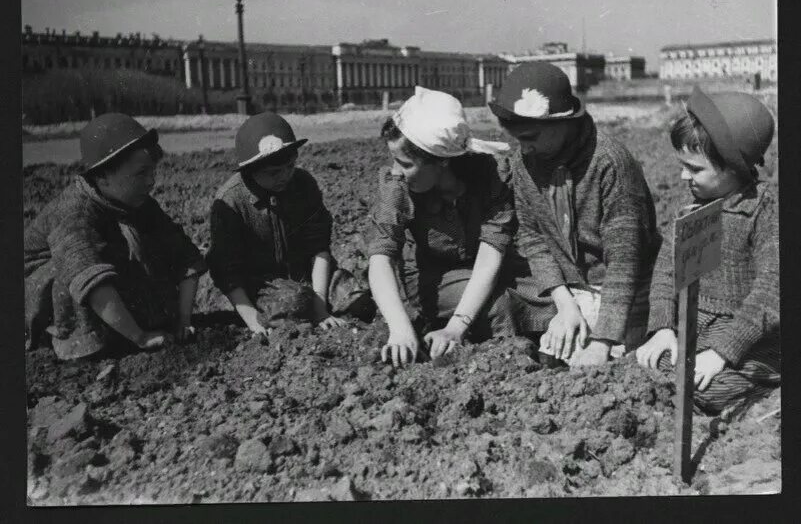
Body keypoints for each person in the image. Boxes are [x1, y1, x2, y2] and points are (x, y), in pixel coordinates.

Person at [491, 61, 661, 368]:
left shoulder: (609, 164)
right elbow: (533, 236)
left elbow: (625, 263)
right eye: (518, 140)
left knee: (602, 365)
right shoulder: (524, 163)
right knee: (549, 358)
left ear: (564, 123)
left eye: (531, 138)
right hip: (574, 286)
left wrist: (602, 342)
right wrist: (565, 304)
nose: (523, 149)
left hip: (627, 285)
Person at [636, 86, 778, 414]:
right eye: (683, 165)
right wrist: (661, 329)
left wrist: (723, 352)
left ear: (734, 167)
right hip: (696, 330)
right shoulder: (692, 209)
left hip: (752, 340)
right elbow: (666, 275)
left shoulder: (763, 212)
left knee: (706, 388)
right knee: (646, 366)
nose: (684, 176)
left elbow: (770, 296)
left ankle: (763, 396)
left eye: (696, 169)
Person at [24, 113, 207, 360]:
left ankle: (134, 325)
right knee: (77, 270)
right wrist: (140, 337)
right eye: (141, 173)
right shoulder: (73, 212)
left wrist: (183, 320)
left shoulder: (140, 203)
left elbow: (186, 258)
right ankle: (81, 342)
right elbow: (89, 280)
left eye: (153, 171)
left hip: (101, 289)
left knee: (143, 246)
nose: (152, 181)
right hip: (31, 295)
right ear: (101, 177)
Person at [367, 85, 525, 367]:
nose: (395, 170)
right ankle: (504, 365)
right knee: (500, 305)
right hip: (433, 276)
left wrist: (455, 326)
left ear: (441, 161)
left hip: (487, 267)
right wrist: (401, 329)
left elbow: (492, 252)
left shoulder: (491, 175)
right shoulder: (396, 185)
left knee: (551, 296)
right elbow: (381, 258)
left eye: (405, 163)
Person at [206, 112, 371, 336]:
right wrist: (253, 322)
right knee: (295, 302)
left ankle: (310, 306)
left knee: (357, 299)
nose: (285, 176)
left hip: (309, 274)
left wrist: (321, 307)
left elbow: (319, 248)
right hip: (263, 286)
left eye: (290, 166)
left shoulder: (303, 184)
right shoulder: (231, 201)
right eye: (273, 172)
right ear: (249, 170)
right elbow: (227, 272)